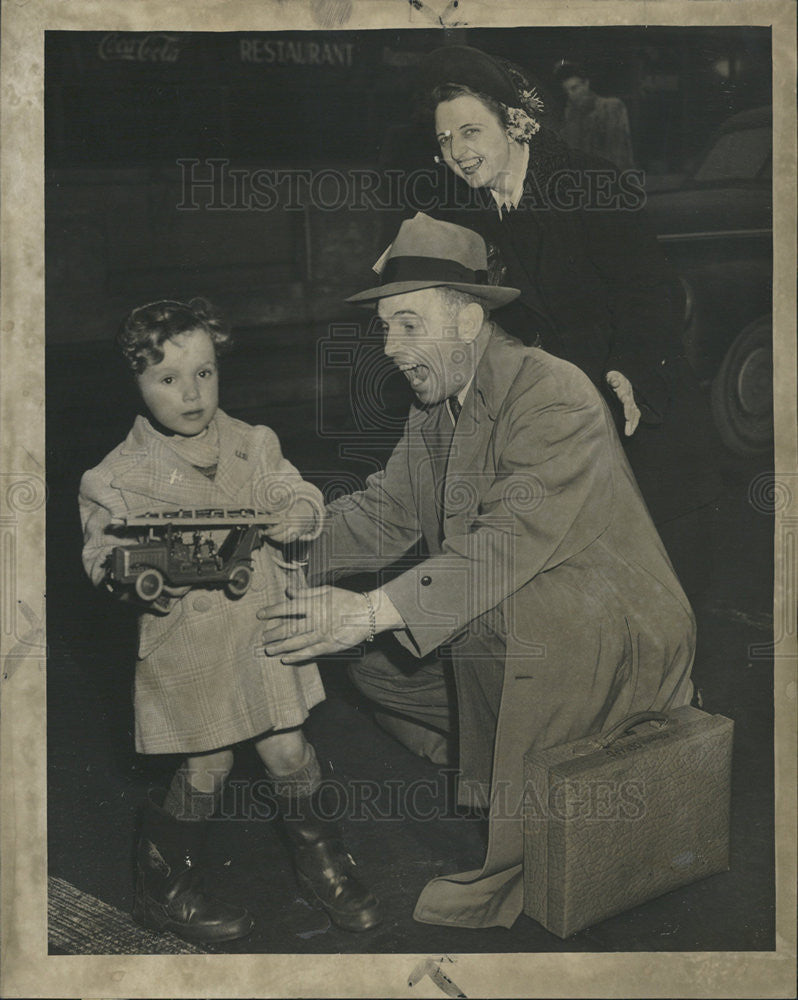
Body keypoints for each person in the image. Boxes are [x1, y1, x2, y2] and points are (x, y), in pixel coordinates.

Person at [258, 214, 696, 930]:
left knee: (482, 622)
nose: (390, 347)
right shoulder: (438, 408)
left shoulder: (552, 392)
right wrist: (276, 556)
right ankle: (500, 769)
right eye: (386, 328)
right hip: (524, 609)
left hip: (609, 625)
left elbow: (505, 544)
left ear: (467, 318)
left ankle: (530, 811)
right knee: (370, 658)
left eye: (406, 325)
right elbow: (385, 511)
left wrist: (368, 610)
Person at [78, 298, 381, 943]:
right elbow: (102, 552)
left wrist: (301, 514)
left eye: (205, 374)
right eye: (167, 379)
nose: (191, 393)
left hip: (267, 634)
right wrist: (127, 574)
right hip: (189, 647)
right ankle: (167, 886)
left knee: (289, 750)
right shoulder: (115, 476)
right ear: (135, 381)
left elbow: (293, 490)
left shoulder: (254, 443)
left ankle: (324, 865)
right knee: (206, 770)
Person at [415, 44, 721, 597]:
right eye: (444, 140)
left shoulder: (590, 184)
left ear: (515, 125)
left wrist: (630, 368)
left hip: (643, 419)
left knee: (670, 601)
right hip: (569, 434)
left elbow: (652, 293)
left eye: (469, 132)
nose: (456, 152)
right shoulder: (475, 218)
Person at [553, 58, 635, 169]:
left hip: (609, 177)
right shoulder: (570, 115)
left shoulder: (611, 107)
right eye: (567, 91)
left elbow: (619, 152)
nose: (571, 95)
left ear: (586, 83)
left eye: (575, 88)